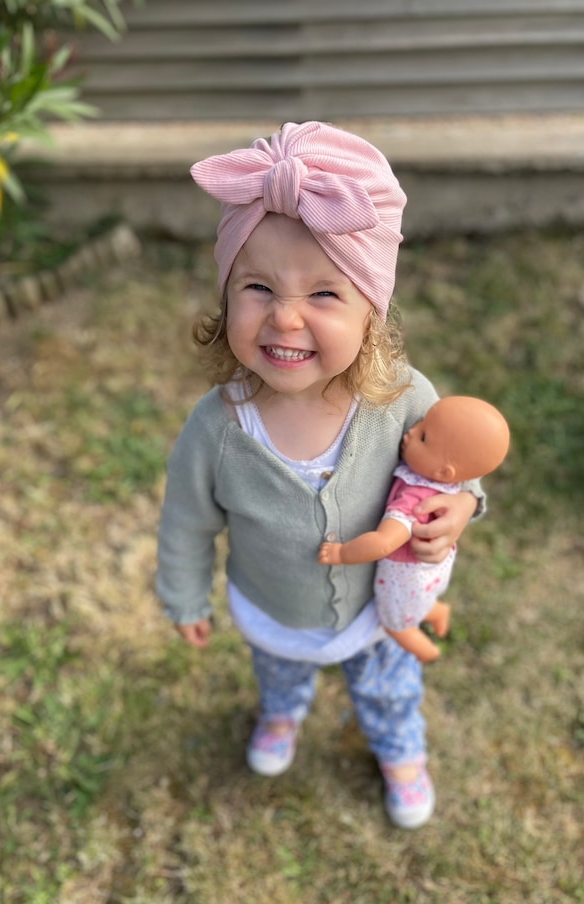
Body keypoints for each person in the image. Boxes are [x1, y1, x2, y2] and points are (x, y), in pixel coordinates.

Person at [156, 121, 484, 829]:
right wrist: (184, 595)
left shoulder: (402, 399)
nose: (285, 316)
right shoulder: (218, 428)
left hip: (375, 616)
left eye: (325, 295)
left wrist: (462, 510)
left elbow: (457, 469)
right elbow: (184, 520)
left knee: (391, 690)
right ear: (225, 298)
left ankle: (401, 752)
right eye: (257, 286)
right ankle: (282, 715)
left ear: (373, 312)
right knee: (278, 675)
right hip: (274, 611)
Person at [318, 396, 509, 663]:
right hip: (429, 571)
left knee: (396, 626)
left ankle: (428, 653)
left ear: (444, 472)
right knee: (420, 603)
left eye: (423, 438)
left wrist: (342, 554)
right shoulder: (443, 483)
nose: (410, 432)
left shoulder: (414, 501)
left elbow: (384, 542)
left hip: (404, 577)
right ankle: (436, 611)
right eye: (420, 423)